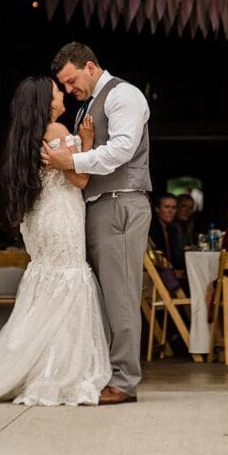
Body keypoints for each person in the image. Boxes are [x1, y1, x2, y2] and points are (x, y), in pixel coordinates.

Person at [0, 76, 110, 406]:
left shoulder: (25, 137)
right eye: (56, 91)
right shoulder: (57, 131)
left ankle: (28, 363)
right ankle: (57, 369)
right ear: (47, 103)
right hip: (62, 215)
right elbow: (79, 178)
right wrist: (88, 141)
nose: (62, 93)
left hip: (39, 218)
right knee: (67, 280)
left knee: (46, 282)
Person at [41, 42, 151, 405]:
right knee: (104, 298)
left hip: (120, 202)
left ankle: (124, 380)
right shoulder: (90, 105)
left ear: (90, 66)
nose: (69, 90)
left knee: (121, 296)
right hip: (99, 205)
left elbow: (122, 149)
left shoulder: (123, 95)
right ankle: (107, 373)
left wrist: (72, 162)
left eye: (71, 81)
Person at [149, 193, 188, 291]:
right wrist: (173, 272)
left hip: (168, 271)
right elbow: (157, 257)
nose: (171, 211)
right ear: (157, 209)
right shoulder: (152, 228)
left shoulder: (172, 229)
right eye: (167, 207)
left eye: (174, 208)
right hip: (159, 272)